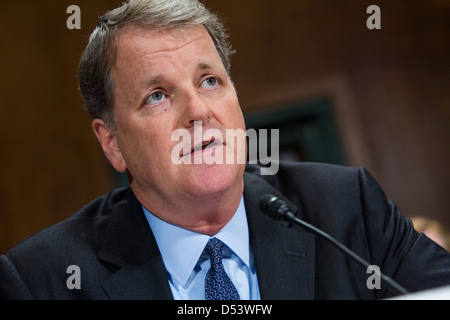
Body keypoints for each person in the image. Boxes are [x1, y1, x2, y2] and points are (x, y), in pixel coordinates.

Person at [1, 0, 449, 300]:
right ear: (113, 143)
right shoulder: (42, 279)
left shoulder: (346, 209)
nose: (198, 113)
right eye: (157, 95)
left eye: (209, 81)